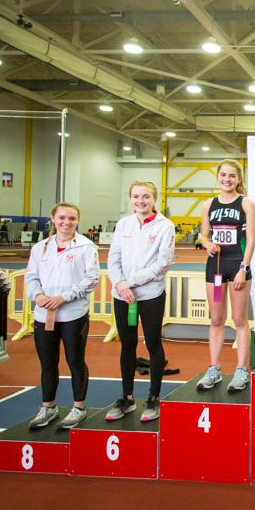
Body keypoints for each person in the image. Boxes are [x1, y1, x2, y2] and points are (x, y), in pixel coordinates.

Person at [24, 203, 99, 430]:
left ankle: (79, 408)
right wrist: (37, 295)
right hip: (44, 314)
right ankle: (48, 407)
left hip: (73, 314)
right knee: (48, 363)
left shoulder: (86, 247)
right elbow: (31, 276)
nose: (67, 222)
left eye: (72, 219)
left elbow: (92, 278)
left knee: (75, 361)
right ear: (53, 219)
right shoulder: (40, 248)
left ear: (78, 221)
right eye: (62, 218)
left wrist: (64, 297)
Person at [105, 181, 176, 423]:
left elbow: (162, 263)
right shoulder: (124, 224)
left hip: (150, 295)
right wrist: (120, 284)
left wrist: (130, 282)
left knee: (153, 343)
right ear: (130, 198)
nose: (141, 201)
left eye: (146, 196)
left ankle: (153, 398)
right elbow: (113, 258)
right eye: (136, 196)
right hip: (123, 295)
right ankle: (127, 398)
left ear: (154, 198)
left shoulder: (165, 226)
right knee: (127, 345)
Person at [197, 160, 255, 391]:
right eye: (223, 175)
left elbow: (251, 239)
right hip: (216, 267)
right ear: (217, 177)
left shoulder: (246, 204)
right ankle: (214, 368)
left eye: (232, 176)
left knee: (240, 320)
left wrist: (244, 267)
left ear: (238, 179)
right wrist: (207, 243)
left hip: (238, 266)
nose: (227, 179)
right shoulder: (207, 204)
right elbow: (203, 235)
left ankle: (242, 370)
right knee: (216, 319)